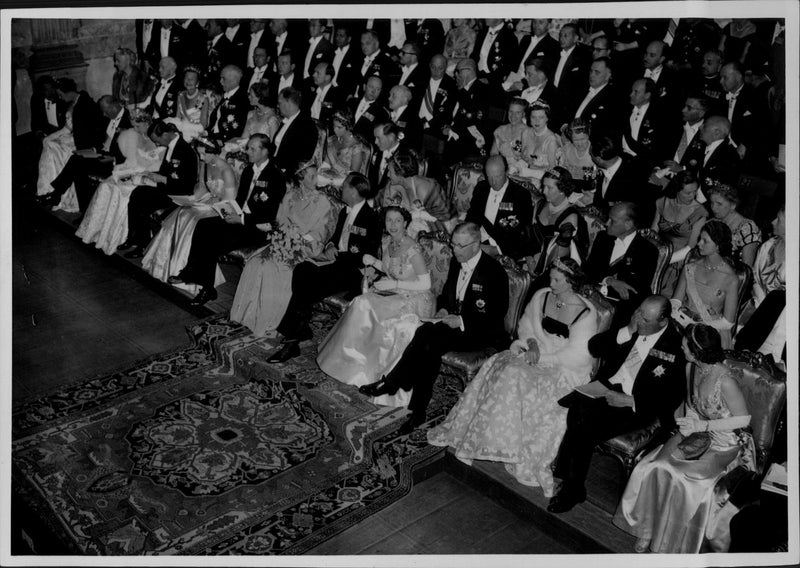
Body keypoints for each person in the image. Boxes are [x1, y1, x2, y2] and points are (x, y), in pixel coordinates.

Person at [428, 258, 598, 496]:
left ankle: (504, 446)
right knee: (499, 366)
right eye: (551, 277)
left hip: (560, 368)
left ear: (571, 282)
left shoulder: (585, 313)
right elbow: (526, 325)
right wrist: (531, 344)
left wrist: (542, 358)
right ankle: (481, 439)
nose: (551, 283)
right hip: (532, 352)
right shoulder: (542, 296)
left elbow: (577, 356)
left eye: (557, 280)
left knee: (515, 377)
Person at [613, 324, 756, 553]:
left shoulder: (726, 380)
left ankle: (666, 541)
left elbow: (744, 420)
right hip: (698, 432)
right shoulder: (691, 367)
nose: (681, 346)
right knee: (654, 466)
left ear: (697, 350)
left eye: (684, 344)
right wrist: (691, 421)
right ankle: (648, 530)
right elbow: (692, 403)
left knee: (681, 476)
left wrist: (703, 424)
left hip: (726, 443)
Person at [359, 222, 509, 435]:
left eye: (459, 245)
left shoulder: (494, 272)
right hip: (453, 324)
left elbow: (496, 316)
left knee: (429, 340)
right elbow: (449, 293)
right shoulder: (459, 261)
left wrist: (462, 321)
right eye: (453, 243)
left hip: (481, 333)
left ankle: (394, 384)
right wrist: (443, 310)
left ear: (476, 245)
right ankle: (415, 407)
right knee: (426, 339)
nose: (453, 249)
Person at [547, 295, 687, 514]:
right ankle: (567, 479)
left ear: (662, 321)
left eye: (646, 320)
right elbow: (595, 347)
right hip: (606, 388)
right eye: (639, 312)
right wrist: (627, 331)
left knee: (585, 425)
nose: (640, 320)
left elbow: (674, 396)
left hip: (635, 405)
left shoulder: (676, 346)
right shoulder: (632, 322)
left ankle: (571, 487)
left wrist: (632, 400)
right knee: (578, 409)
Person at [317, 206, 435, 406]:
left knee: (383, 319)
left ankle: (379, 376)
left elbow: (426, 284)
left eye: (398, 221)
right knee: (361, 303)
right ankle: (351, 365)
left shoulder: (412, 248)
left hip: (415, 298)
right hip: (395, 291)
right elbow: (393, 269)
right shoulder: (388, 242)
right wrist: (375, 262)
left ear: (406, 223)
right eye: (389, 220)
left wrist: (395, 284)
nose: (393, 225)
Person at [270, 172, 383, 363]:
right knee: (301, 269)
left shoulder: (371, 218)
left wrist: (340, 255)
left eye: (345, 186)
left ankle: (292, 340)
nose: (341, 188)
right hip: (337, 265)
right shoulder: (344, 211)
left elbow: (366, 254)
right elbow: (335, 238)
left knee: (309, 284)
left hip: (354, 272)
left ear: (354, 191)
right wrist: (330, 247)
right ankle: (299, 329)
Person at [169, 133, 286, 306]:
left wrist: (242, 219)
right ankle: (191, 272)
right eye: (248, 148)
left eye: (253, 149)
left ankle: (207, 288)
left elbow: (269, 213)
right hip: (239, 219)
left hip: (256, 228)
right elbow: (240, 201)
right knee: (203, 225)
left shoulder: (275, 177)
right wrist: (228, 211)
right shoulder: (248, 170)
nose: (248, 152)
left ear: (266, 151)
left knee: (214, 240)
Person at [230, 161, 336, 336]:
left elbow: (321, 232)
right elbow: (280, 221)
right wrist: (280, 232)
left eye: (315, 175)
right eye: (311, 175)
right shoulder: (290, 196)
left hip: (306, 247)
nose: (316, 179)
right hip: (284, 241)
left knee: (273, 268)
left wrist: (299, 238)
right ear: (301, 179)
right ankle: (249, 314)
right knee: (256, 262)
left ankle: (271, 320)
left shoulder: (322, 201)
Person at [141, 146, 237, 294]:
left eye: (205, 153)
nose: (201, 157)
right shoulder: (205, 165)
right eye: (200, 153)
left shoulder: (227, 171)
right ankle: (170, 266)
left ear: (216, 152)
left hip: (221, 209)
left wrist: (212, 206)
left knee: (193, 221)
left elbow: (230, 201)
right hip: (207, 201)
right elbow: (202, 188)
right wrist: (191, 199)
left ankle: (193, 274)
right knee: (182, 213)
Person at [75, 110, 164, 255]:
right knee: (106, 185)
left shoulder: (157, 138)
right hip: (136, 171)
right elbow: (131, 159)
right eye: (134, 126)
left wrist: (139, 171)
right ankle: (99, 230)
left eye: (138, 126)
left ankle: (130, 235)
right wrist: (126, 170)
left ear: (147, 123)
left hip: (150, 176)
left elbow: (157, 165)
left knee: (124, 193)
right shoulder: (135, 135)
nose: (135, 130)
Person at [118, 120, 198, 259]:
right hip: (167, 189)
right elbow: (166, 171)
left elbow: (185, 184)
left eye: (157, 141)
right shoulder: (171, 146)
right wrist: (151, 176)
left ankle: (143, 245)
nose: (157, 145)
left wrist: (161, 179)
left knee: (144, 205)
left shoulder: (184, 150)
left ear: (166, 134)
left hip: (178, 194)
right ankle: (133, 237)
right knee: (137, 193)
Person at [583, 202, 658, 326]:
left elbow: (636, 289)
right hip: (591, 297)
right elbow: (589, 270)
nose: (606, 223)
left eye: (612, 221)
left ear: (628, 224)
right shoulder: (603, 238)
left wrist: (604, 287)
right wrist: (609, 280)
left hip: (621, 308)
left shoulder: (647, 250)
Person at [671, 220, 739, 348]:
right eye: (699, 239)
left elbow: (728, 322)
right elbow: (675, 301)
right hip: (682, 322)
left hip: (710, 332)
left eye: (705, 241)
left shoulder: (731, 279)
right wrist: (681, 320)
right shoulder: (690, 267)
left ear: (718, 245)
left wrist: (698, 326)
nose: (698, 244)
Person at [735, 206, 785, 363]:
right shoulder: (767, 246)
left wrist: (769, 310)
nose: (773, 221)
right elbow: (755, 277)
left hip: (782, 321)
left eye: (779, 219)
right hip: (757, 306)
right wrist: (763, 306)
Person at [465, 154, 534, 262]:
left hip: (503, 250)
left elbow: (524, 234)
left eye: (497, 176)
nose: (493, 182)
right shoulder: (481, 188)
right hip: (478, 242)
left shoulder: (521, 195)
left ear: (506, 172)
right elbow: (471, 217)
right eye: (489, 177)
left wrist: (496, 250)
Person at [651, 170, 709, 295]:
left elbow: (691, 247)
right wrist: (651, 254)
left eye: (695, 191)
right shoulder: (663, 202)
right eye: (688, 193)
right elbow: (653, 231)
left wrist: (664, 260)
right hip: (656, 253)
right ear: (677, 190)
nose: (692, 196)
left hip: (677, 262)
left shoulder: (700, 212)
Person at [528, 167, 588, 280]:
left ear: (562, 190)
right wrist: (529, 260)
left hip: (555, 272)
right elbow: (527, 236)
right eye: (543, 185)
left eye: (549, 188)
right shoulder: (539, 205)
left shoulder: (571, 216)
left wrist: (538, 267)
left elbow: (561, 257)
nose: (543, 191)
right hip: (530, 261)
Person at [380, 150, 457, 238]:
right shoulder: (397, 185)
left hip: (444, 223)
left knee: (411, 226)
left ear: (400, 173)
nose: (388, 175)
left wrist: (416, 215)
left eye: (390, 171)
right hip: (420, 220)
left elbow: (445, 216)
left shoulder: (426, 188)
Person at [707, 181, 761, 268]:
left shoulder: (747, 228)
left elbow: (746, 267)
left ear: (733, 205)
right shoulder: (711, 222)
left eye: (719, 204)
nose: (713, 207)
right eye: (712, 203)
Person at [222, 82, 281, 158]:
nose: (248, 97)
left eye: (251, 95)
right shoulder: (251, 114)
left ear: (260, 97)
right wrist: (236, 147)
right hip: (247, 151)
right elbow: (244, 138)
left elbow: (272, 148)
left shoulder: (272, 119)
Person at [317, 109, 370, 186]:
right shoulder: (332, 139)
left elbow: (352, 178)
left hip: (344, 185)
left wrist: (331, 182)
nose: (335, 130)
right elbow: (326, 164)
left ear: (349, 127)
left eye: (339, 127)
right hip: (327, 179)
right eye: (334, 126)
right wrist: (320, 175)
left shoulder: (356, 148)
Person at [164, 64, 210, 142]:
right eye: (186, 78)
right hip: (181, 130)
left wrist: (184, 126)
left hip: (196, 134)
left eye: (192, 79)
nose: (188, 81)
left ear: (197, 82)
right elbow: (178, 117)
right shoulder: (180, 95)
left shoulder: (203, 99)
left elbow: (203, 126)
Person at [490, 98, 535, 174]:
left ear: (523, 114)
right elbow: (493, 154)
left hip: (520, 173)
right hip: (501, 171)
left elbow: (529, 160)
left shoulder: (529, 132)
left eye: (518, 112)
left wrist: (511, 171)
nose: (513, 116)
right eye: (511, 111)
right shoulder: (500, 130)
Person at [555, 118, 595, 194]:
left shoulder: (594, 152)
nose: (580, 143)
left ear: (588, 135)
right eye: (576, 140)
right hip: (569, 191)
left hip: (589, 193)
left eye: (583, 139)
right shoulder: (567, 150)